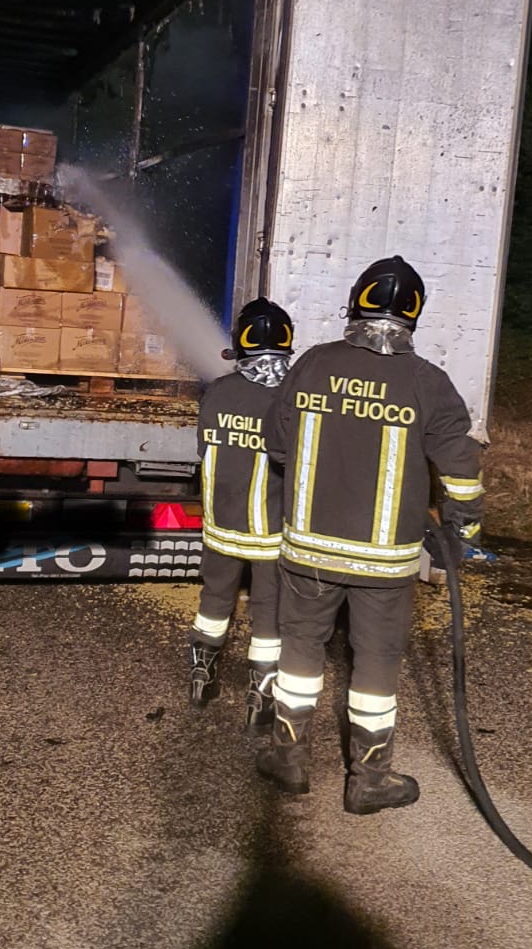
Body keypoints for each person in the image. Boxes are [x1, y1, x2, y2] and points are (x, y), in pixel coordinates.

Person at [259, 256, 484, 813]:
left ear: (356, 301)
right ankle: (369, 780)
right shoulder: (427, 382)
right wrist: (463, 529)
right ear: (414, 314)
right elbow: (460, 465)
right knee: (377, 659)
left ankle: (288, 760)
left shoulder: (311, 365)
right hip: (385, 564)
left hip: (308, 551)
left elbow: (279, 447)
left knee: (302, 649)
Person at [189, 297, 294, 731]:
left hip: (220, 529)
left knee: (214, 603)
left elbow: (203, 450)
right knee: (267, 613)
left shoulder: (218, 390)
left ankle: (201, 678)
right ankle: (259, 697)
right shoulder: (291, 397)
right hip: (270, 536)